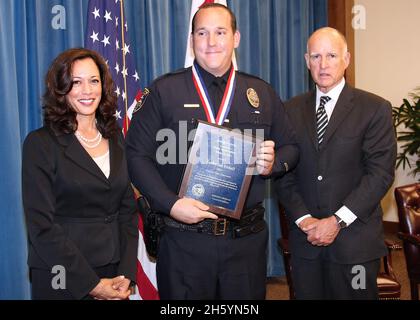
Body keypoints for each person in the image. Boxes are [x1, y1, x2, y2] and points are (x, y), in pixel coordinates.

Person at [126, 3, 298, 299]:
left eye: (220, 32)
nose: (212, 42)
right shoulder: (163, 92)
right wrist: (170, 204)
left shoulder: (261, 93)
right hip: (184, 241)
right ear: (192, 39)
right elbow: (135, 156)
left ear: (236, 38)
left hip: (245, 243)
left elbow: (291, 147)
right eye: (202, 33)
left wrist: (275, 163)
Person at [275, 27, 397, 299]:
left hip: (355, 244)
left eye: (331, 55)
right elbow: (283, 173)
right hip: (306, 243)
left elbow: (380, 174)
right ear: (307, 61)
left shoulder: (374, 108)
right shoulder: (289, 110)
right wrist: (305, 219)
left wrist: (337, 221)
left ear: (347, 59)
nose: (323, 64)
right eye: (316, 56)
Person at [22, 48, 139, 300]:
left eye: (94, 81)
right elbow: (41, 227)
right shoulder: (40, 144)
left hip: (114, 273)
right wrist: (92, 285)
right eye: (76, 82)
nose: (87, 90)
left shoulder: (116, 136)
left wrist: (127, 272)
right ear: (61, 89)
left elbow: (127, 209)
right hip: (62, 275)